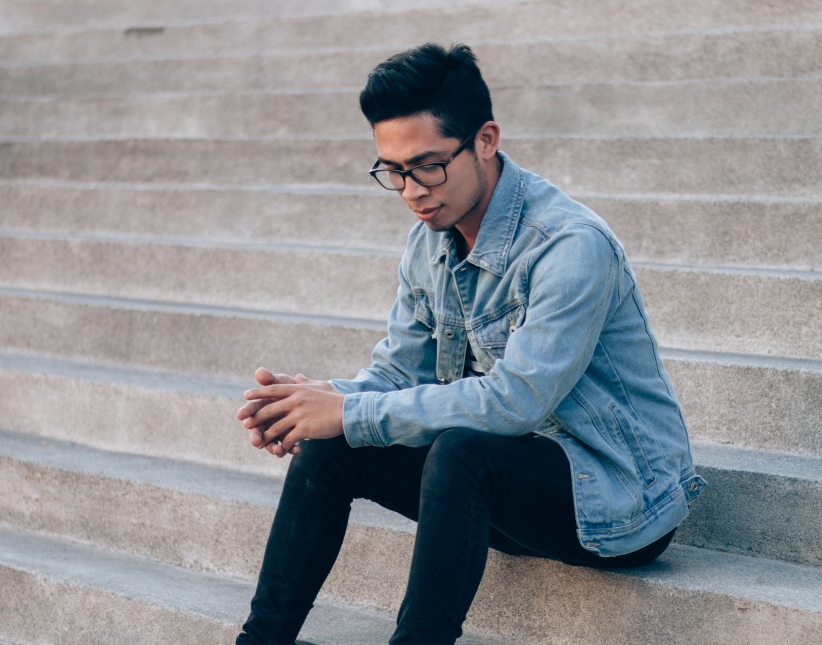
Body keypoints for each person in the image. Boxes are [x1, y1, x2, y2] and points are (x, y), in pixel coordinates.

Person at [235, 42, 705, 645]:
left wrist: (350, 411)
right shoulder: (428, 240)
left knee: (459, 451)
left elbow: (515, 402)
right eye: (394, 172)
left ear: (485, 139)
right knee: (333, 445)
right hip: (501, 482)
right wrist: (316, 403)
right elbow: (398, 377)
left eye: (428, 166)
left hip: (617, 498)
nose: (412, 190)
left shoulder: (569, 245)